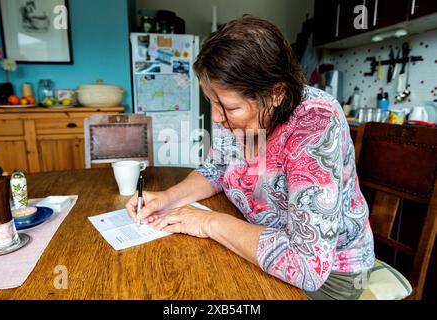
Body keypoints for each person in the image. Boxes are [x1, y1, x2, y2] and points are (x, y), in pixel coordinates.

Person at [126, 16, 375, 300]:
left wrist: (208, 223)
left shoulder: (315, 124)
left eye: (229, 107)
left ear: (277, 93)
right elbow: (216, 169)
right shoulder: (242, 118)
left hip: (331, 277)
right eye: (211, 102)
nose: (217, 118)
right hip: (257, 238)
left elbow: (307, 266)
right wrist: (167, 198)